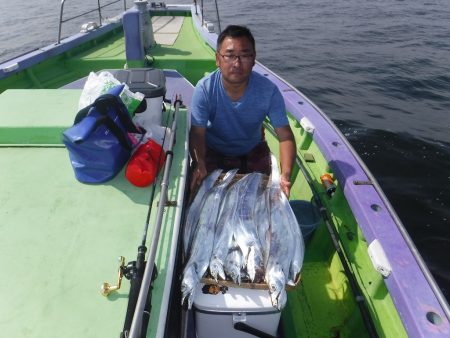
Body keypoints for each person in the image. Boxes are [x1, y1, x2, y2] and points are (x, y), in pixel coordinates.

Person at [189, 25, 296, 197]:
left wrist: (285, 175)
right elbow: (197, 133)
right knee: (199, 193)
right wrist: (199, 163)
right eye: (230, 55)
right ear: (218, 59)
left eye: (245, 55)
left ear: (254, 59)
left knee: (266, 198)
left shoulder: (269, 91)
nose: (237, 63)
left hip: (252, 149)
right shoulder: (205, 89)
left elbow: (285, 136)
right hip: (213, 149)